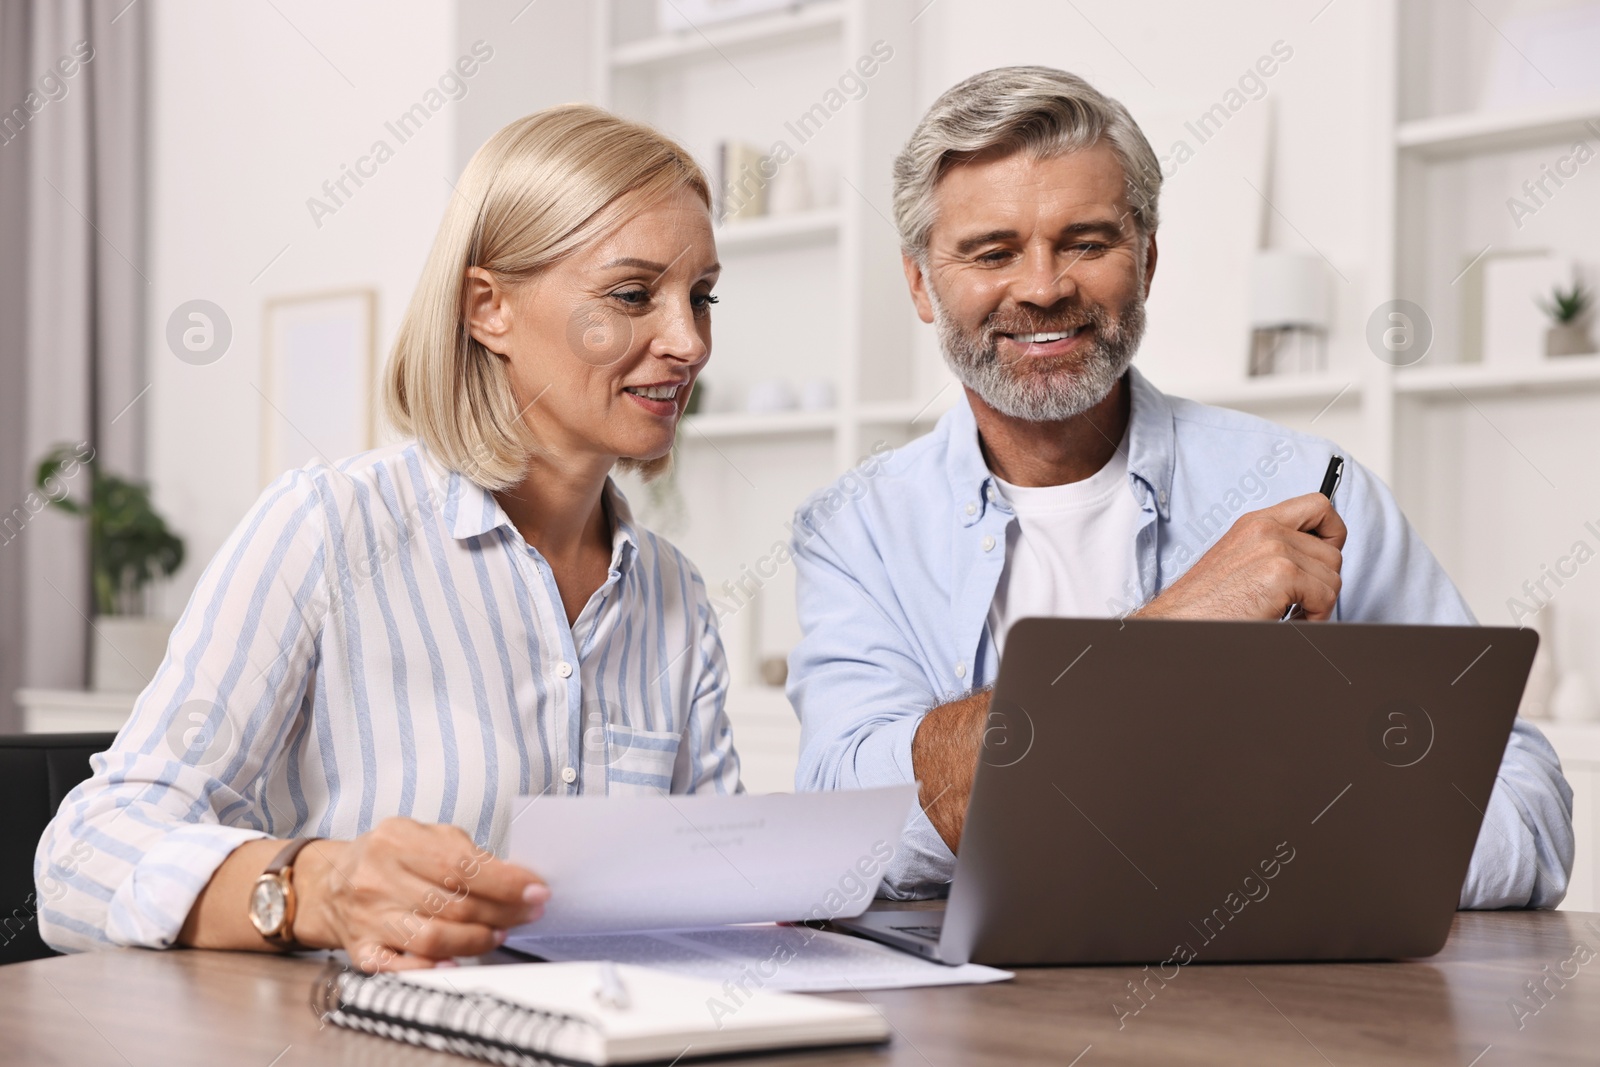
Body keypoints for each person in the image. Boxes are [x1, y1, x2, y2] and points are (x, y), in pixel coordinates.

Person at [787, 67, 1573, 908]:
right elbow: (847, 830)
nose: (1045, 286)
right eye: (993, 252)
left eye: (1088, 242)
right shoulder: (855, 530)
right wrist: (1174, 633)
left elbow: (1524, 808)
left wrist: (1270, 853)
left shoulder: (1313, 489)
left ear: (1149, 258)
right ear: (920, 283)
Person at [36, 105, 739, 968]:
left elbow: (718, 895)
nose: (689, 340)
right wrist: (316, 888)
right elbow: (81, 859)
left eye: (701, 297)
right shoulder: (326, 530)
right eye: (633, 295)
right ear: (489, 308)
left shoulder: (675, 594)